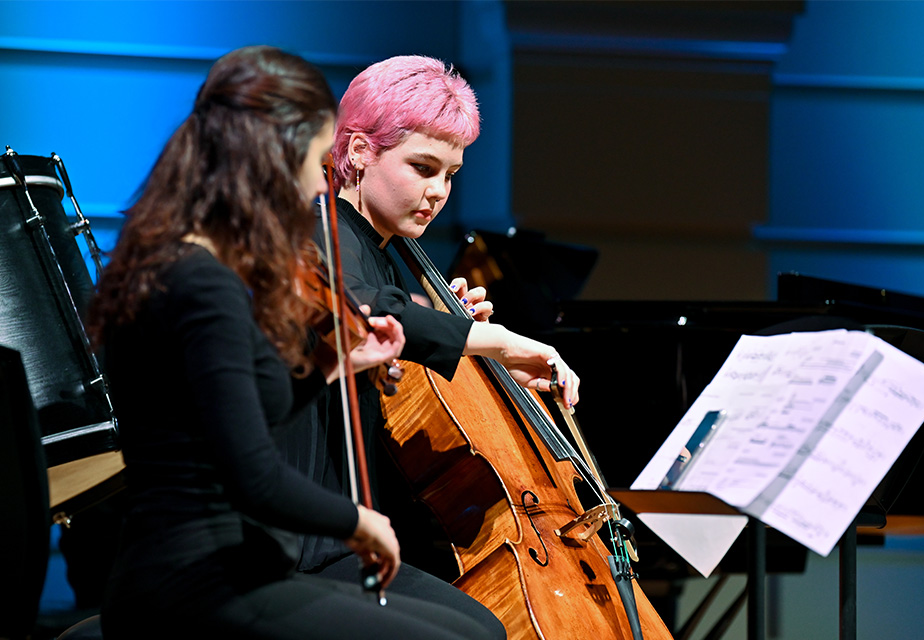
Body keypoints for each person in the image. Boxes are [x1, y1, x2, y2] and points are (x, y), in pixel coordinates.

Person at [85, 45, 498, 640]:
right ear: (269, 163)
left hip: (222, 569)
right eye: (312, 162)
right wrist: (359, 522)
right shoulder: (202, 284)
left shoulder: (191, 266)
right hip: (191, 582)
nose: (316, 183)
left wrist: (329, 365)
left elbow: (249, 416)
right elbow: (252, 474)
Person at [285, 55, 580, 638]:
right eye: (422, 167)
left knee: (481, 627)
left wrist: (479, 368)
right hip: (290, 542)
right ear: (361, 152)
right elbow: (368, 310)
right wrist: (492, 341)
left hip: (341, 538)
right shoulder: (316, 230)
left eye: (450, 174)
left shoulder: (378, 253)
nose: (438, 191)